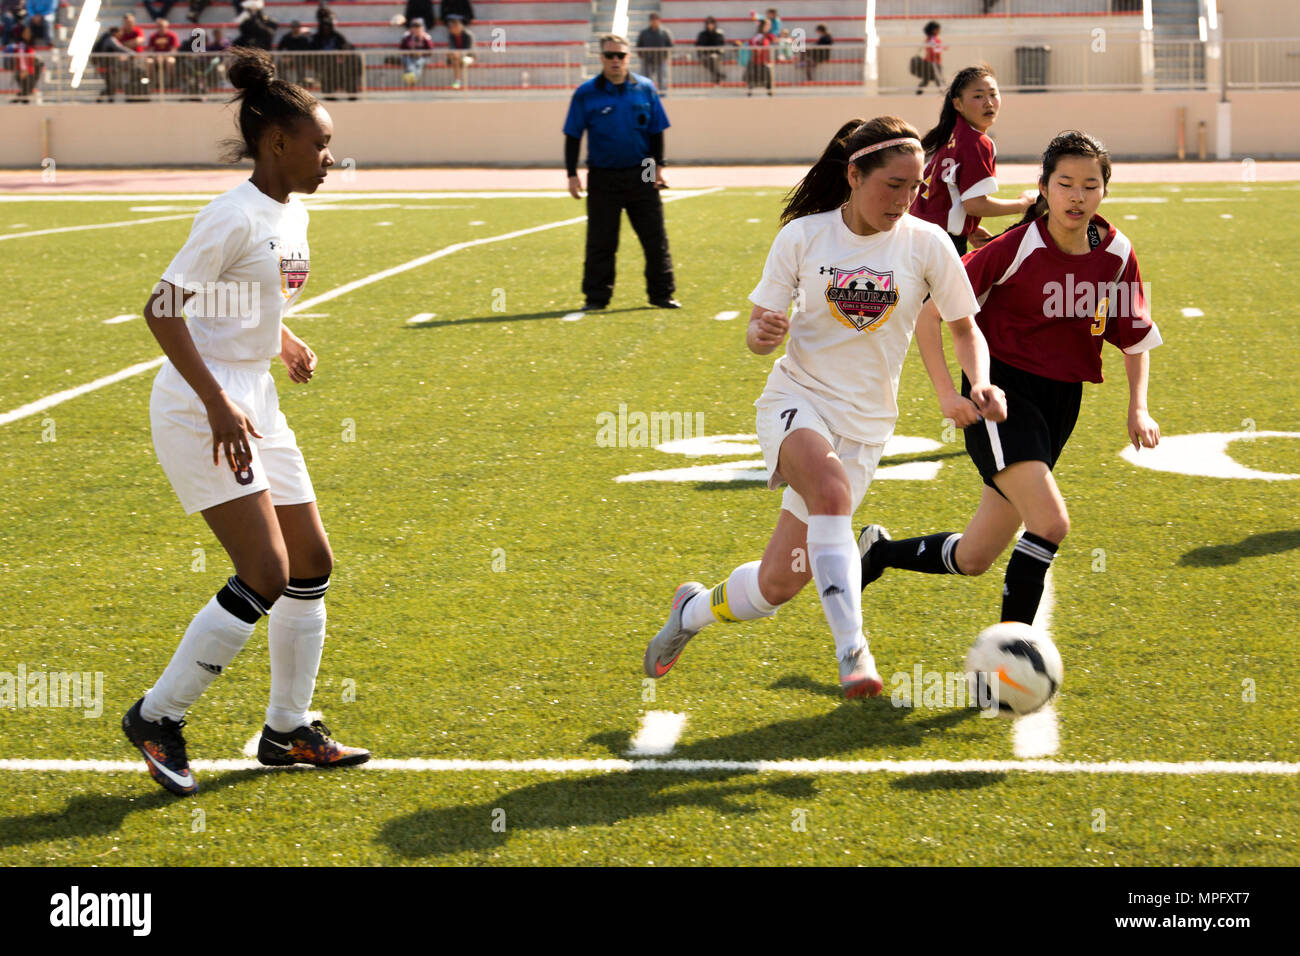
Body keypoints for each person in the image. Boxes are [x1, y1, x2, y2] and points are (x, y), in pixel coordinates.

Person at [643, 116, 1003, 699]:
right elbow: (758, 328)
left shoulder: (928, 243)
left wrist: (979, 383)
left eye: (915, 186)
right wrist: (761, 334)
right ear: (854, 175)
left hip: (867, 425)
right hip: (798, 398)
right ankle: (852, 649)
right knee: (832, 495)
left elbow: (965, 329)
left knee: (776, 586)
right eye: (892, 184)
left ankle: (690, 613)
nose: (904, 199)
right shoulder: (804, 237)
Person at [122, 45, 368, 798]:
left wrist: (280, 339)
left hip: (253, 395)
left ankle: (287, 729)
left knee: (312, 563)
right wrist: (218, 400)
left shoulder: (289, 212)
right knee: (265, 572)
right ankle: (158, 717)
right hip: (205, 407)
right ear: (277, 144)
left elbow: (249, 299)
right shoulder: (231, 214)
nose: (330, 157)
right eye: (320, 144)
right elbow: (162, 309)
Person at [859, 131, 1162, 632]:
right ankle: (1005, 668)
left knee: (975, 555)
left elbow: (1134, 336)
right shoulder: (1014, 246)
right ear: (1043, 187)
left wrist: (1139, 408)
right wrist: (945, 393)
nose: (1077, 195)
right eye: (1064, 183)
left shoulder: (1116, 253)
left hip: (1062, 402)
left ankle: (881, 552)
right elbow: (930, 315)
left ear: (1105, 191)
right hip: (1000, 395)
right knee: (1050, 523)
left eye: (1090, 185)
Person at [563, 34, 679, 311]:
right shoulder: (586, 92)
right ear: (601, 58)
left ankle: (661, 294)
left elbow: (656, 133)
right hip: (603, 177)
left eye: (621, 55)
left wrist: (656, 169)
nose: (616, 60)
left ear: (629, 57)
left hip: (642, 174)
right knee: (601, 241)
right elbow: (572, 135)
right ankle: (596, 297)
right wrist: (571, 173)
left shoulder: (646, 88)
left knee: (655, 238)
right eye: (610, 55)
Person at [910, 66, 1035, 256]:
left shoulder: (951, 136)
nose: (988, 102)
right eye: (978, 96)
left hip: (919, 237)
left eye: (993, 94)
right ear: (958, 104)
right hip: (941, 243)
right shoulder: (976, 142)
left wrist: (967, 227)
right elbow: (975, 204)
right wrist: (1024, 204)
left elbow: (943, 195)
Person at [92, 25, 133, 101]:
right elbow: (120, 48)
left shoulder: (106, 38)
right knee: (112, 85)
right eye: (120, 32)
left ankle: (107, 100)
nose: (121, 34)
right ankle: (103, 100)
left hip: (107, 66)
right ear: (115, 33)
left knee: (111, 85)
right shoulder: (110, 39)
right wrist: (133, 53)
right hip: (106, 67)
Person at [636, 12, 672, 93]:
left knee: (662, 79)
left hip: (661, 60)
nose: (654, 21)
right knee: (645, 79)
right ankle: (646, 94)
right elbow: (639, 45)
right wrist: (643, 56)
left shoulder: (664, 32)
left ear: (659, 21)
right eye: (652, 19)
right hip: (647, 60)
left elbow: (669, 45)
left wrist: (665, 56)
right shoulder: (644, 33)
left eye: (656, 19)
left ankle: (663, 95)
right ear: (650, 21)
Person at [4, 23, 41, 101]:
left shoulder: (31, 44)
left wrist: (28, 70)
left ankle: (22, 96)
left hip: (30, 72)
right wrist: (24, 70)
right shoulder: (20, 46)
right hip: (23, 71)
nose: (28, 34)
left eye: (29, 32)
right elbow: (21, 59)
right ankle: (23, 96)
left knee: (39, 64)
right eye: (26, 32)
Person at [398, 17, 433, 85]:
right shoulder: (407, 35)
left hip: (422, 57)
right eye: (414, 26)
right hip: (409, 56)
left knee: (418, 62)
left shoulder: (426, 36)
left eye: (418, 26)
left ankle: (413, 80)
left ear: (422, 27)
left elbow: (430, 50)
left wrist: (421, 53)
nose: (416, 28)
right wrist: (410, 53)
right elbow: (402, 48)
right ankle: (412, 80)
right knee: (409, 62)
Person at [744, 16, 773, 96]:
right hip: (757, 61)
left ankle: (769, 92)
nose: (769, 26)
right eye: (768, 25)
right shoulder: (759, 36)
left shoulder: (767, 35)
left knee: (767, 79)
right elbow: (752, 43)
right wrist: (758, 49)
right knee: (753, 79)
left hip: (764, 61)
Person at [444, 13, 473, 89]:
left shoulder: (468, 35)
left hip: (469, 56)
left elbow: (469, 49)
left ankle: (458, 81)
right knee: (454, 59)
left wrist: (460, 54)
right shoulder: (451, 36)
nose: (451, 29)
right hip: (456, 56)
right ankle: (457, 81)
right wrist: (454, 53)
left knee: (458, 60)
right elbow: (451, 47)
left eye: (453, 27)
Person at [695, 16, 725, 85]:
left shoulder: (718, 34)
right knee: (705, 59)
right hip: (705, 55)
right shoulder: (702, 34)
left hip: (716, 54)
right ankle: (719, 75)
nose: (710, 26)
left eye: (711, 24)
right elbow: (698, 45)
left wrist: (716, 53)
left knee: (713, 59)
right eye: (708, 24)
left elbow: (720, 45)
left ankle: (717, 78)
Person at [918, 20, 943, 93]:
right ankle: (944, 94)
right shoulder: (932, 39)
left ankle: (918, 91)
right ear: (933, 30)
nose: (939, 31)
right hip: (933, 62)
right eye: (938, 29)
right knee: (939, 79)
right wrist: (941, 48)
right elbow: (933, 50)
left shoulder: (930, 38)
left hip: (930, 62)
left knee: (927, 79)